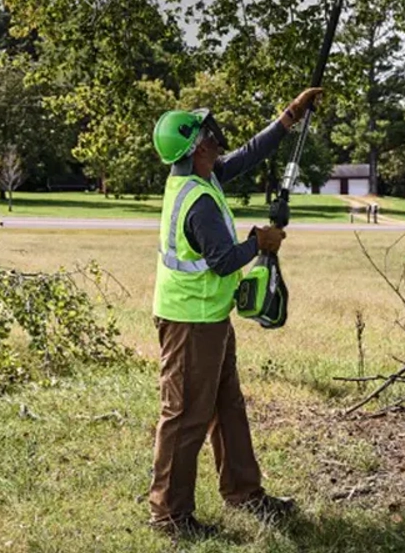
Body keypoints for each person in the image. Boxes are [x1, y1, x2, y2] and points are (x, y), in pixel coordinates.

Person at [148, 87, 322, 539]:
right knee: (185, 415)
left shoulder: (205, 178)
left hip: (210, 317)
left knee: (227, 407)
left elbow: (247, 155)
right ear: (197, 147)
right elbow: (224, 260)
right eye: (206, 131)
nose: (215, 134)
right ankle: (170, 517)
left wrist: (290, 116)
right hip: (189, 322)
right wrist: (260, 243)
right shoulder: (199, 201)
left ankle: (245, 493)